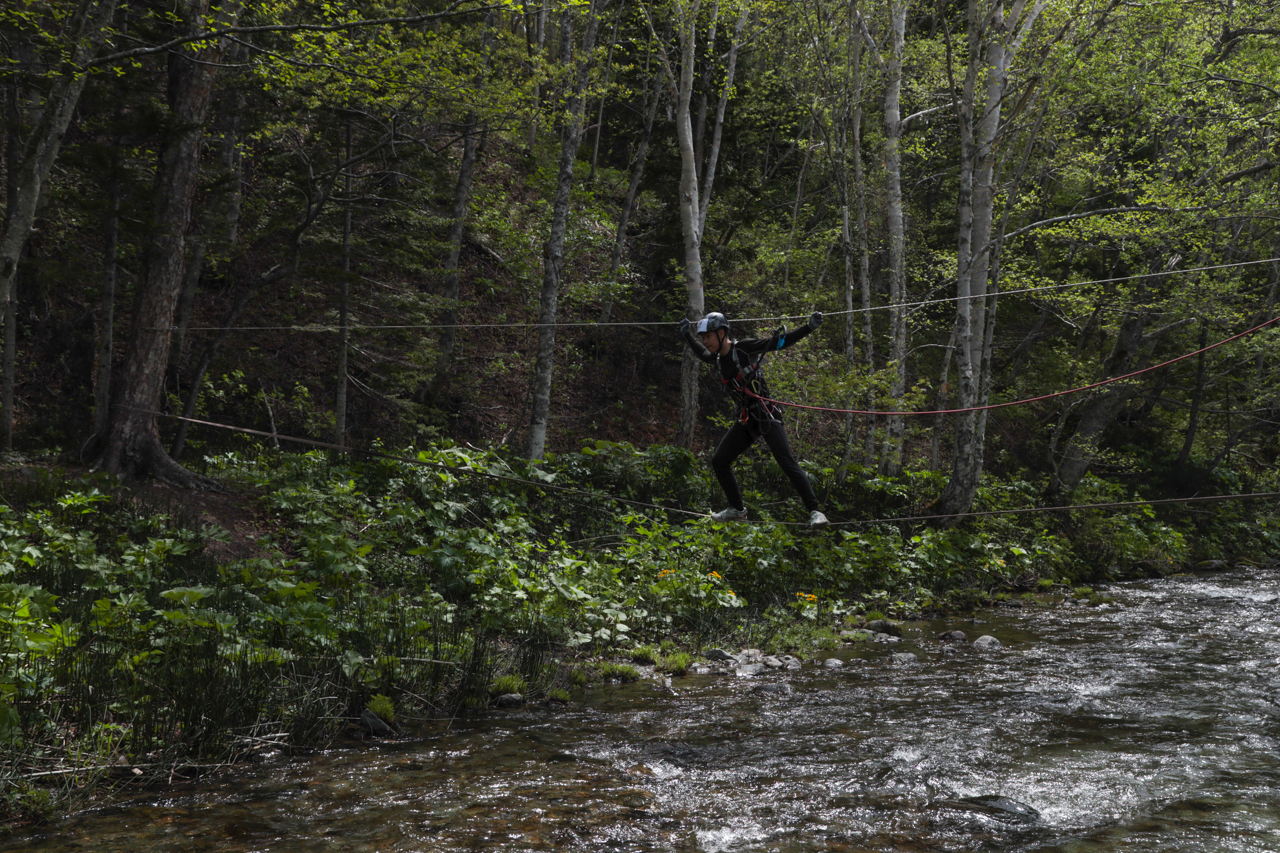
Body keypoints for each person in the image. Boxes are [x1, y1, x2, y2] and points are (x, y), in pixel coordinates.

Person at [679, 310, 829, 527]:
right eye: (703, 338)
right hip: (747, 419)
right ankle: (737, 510)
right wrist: (687, 336)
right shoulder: (719, 360)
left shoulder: (743, 348)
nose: (705, 341)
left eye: (708, 336)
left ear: (722, 333)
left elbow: (777, 343)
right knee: (719, 461)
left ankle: (815, 511)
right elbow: (702, 354)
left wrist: (809, 327)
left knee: (786, 462)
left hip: (766, 415)